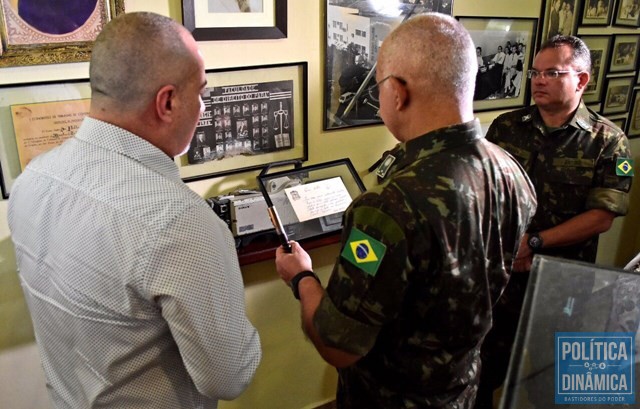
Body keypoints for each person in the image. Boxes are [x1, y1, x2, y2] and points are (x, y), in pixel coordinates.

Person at [274, 13, 537, 408]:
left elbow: (338, 346)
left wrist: (302, 279)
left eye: (379, 87)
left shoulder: (388, 209)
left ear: (397, 92)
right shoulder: (509, 170)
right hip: (462, 390)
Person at [7, 12, 261, 408]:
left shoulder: (32, 180)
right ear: (168, 102)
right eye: (202, 93)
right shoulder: (181, 224)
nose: (204, 107)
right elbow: (228, 377)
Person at [476, 35, 633, 409]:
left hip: (562, 280)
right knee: (483, 369)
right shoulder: (506, 127)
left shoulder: (608, 142)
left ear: (581, 81)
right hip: (501, 274)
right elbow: (486, 190)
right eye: (535, 72)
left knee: (548, 373)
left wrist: (534, 243)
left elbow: (601, 216)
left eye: (552, 72)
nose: (538, 80)